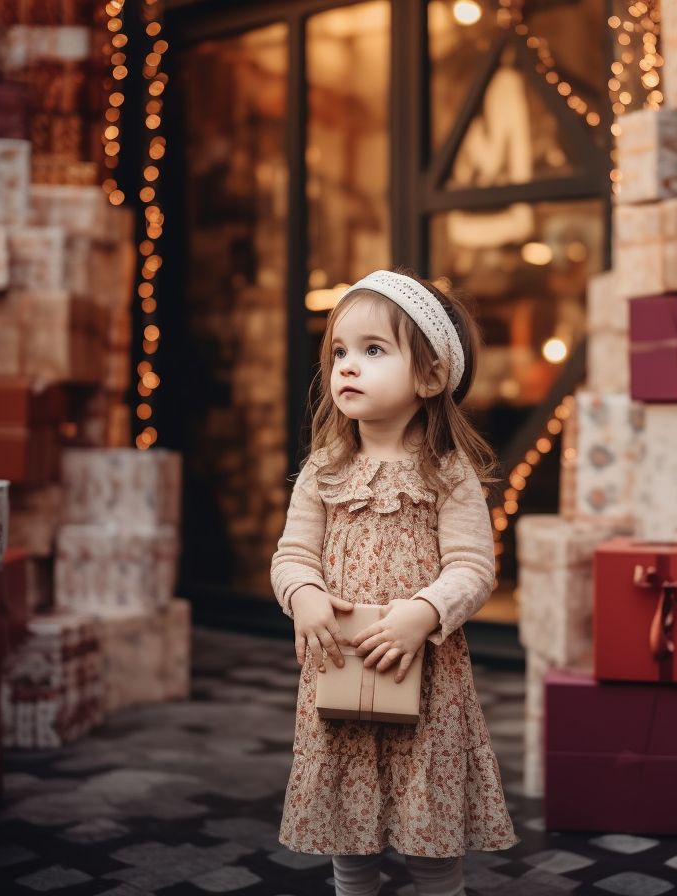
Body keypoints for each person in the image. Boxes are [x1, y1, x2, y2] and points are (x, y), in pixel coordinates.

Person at [270, 269, 518, 896]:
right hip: (341, 672)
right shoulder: (322, 470)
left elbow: (473, 567)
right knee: (350, 850)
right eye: (340, 352)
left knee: (431, 848)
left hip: (424, 681)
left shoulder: (447, 473)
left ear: (430, 376)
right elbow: (292, 554)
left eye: (372, 351)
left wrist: (424, 612)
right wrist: (303, 595)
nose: (348, 366)